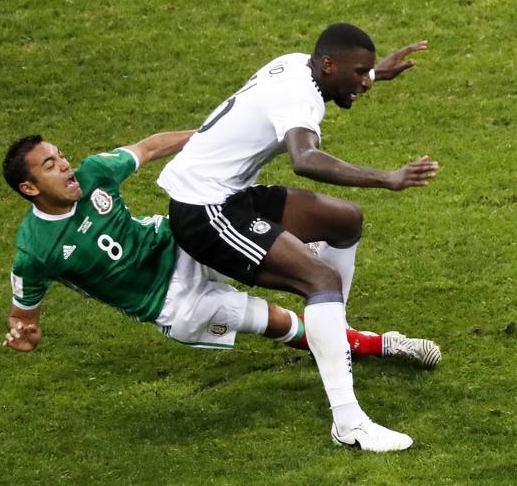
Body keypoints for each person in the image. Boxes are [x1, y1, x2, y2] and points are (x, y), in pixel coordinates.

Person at [157, 23, 441, 452]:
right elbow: (304, 159)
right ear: (328, 66)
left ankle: (334, 337)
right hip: (205, 211)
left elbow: (325, 90)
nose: (364, 82)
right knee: (321, 279)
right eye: (359, 72)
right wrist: (389, 177)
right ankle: (349, 424)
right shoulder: (298, 94)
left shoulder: (296, 64)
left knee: (345, 220)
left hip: (229, 194)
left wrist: (376, 75)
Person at [1, 133, 440, 366]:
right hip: (173, 303)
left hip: (176, 240)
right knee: (282, 323)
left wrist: (213, 137)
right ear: (29, 187)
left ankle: (306, 255)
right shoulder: (34, 252)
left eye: (60, 156)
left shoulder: (95, 172)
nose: (65, 167)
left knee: (234, 217)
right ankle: (378, 346)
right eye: (49, 166)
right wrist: (26, 335)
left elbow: (150, 146)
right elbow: (23, 318)